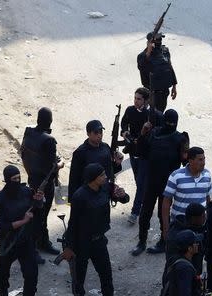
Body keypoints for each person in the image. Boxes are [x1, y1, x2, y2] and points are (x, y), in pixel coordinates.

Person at [131, 109, 188, 256]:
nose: (170, 125)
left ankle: (164, 241)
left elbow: (185, 161)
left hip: (168, 184)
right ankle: (141, 242)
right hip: (152, 181)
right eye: (168, 121)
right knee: (145, 214)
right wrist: (143, 133)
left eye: (173, 123)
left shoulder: (180, 138)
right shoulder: (154, 133)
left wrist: (187, 153)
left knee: (163, 215)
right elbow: (140, 151)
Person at [61, 163, 114, 296]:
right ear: (93, 178)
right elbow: (73, 223)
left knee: (106, 275)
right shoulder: (80, 196)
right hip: (81, 243)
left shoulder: (105, 188)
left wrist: (123, 196)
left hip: (99, 241)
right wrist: (68, 247)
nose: (105, 177)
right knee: (79, 279)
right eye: (102, 175)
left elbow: (123, 198)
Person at [0, 165, 43, 296]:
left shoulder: (26, 191)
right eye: (14, 179)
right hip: (8, 242)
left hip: (26, 240)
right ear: (7, 180)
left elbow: (35, 210)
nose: (17, 181)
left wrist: (39, 201)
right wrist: (23, 221)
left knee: (31, 273)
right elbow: (1, 227)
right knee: (2, 274)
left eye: (19, 177)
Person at [21, 107, 64, 258]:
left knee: (39, 215)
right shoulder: (49, 140)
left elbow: (23, 154)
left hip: (32, 179)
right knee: (39, 216)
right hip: (44, 185)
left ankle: (43, 242)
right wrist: (61, 162)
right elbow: (54, 166)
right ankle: (33, 249)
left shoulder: (28, 132)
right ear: (50, 121)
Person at [120, 87, 163, 224]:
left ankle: (135, 212)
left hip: (146, 154)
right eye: (135, 98)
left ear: (146, 100)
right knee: (139, 181)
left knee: (141, 183)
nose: (136, 101)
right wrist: (124, 132)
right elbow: (124, 123)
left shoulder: (154, 115)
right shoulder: (130, 110)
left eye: (139, 99)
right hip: (133, 151)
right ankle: (144, 201)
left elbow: (160, 133)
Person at [68, 120, 126, 204]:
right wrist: (73, 201)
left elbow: (109, 171)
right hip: (87, 196)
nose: (99, 135)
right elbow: (74, 178)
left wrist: (117, 163)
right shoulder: (80, 152)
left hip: (104, 193)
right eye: (96, 133)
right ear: (88, 134)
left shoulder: (105, 147)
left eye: (101, 132)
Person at [162, 147, 211, 237]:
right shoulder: (176, 176)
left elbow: (207, 197)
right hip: (180, 225)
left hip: (200, 226)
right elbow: (166, 201)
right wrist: (166, 227)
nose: (203, 163)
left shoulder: (207, 175)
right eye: (200, 160)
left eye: (204, 159)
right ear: (190, 161)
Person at [161, 203, 206, 295]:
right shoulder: (184, 268)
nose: (205, 218)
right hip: (181, 279)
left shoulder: (185, 230)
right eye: (203, 216)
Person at [137, 32, 177, 112]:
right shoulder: (142, 56)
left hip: (164, 91)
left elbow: (169, 67)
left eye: (160, 39)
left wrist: (174, 86)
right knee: (149, 115)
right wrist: (148, 51)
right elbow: (141, 66)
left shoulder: (165, 51)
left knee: (160, 113)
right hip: (152, 93)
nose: (159, 41)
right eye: (157, 40)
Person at [164, 229, 203, 296]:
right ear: (189, 248)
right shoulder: (185, 269)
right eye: (195, 242)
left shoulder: (174, 259)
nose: (198, 244)